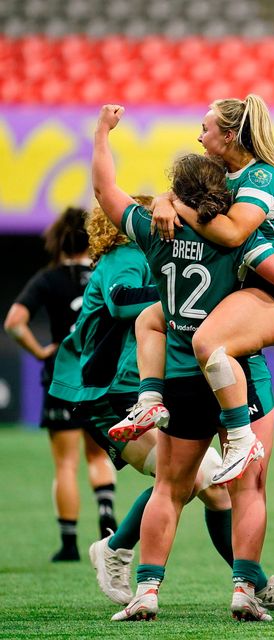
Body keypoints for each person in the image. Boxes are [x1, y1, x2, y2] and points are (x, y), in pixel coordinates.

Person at [92, 104, 274, 622]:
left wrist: (102, 134)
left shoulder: (155, 227)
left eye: (205, 126)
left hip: (181, 380)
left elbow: (106, 191)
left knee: (169, 488)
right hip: (236, 371)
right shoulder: (238, 240)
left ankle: (146, 591)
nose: (199, 132)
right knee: (249, 485)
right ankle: (244, 589)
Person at [48, 201, 274, 612]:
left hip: (132, 386)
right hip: (107, 392)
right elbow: (120, 301)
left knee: (209, 488)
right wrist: (190, 295)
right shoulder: (127, 253)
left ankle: (250, 582)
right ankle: (117, 548)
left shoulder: (163, 249)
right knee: (191, 479)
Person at [112, 94, 274, 485]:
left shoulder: (261, 175)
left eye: (206, 128)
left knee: (207, 342)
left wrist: (175, 207)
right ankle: (150, 399)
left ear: (230, 135)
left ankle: (239, 437)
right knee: (154, 317)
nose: (200, 136)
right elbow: (188, 186)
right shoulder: (221, 169)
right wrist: (166, 199)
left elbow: (233, 233)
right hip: (240, 291)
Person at [4, 206, 117, 562]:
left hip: (61, 378)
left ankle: (69, 543)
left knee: (66, 464)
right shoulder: (104, 272)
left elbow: (14, 322)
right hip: (100, 377)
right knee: (99, 454)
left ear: (58, 240)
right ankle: (107, 522)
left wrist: (40, 350)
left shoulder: (48, 278)